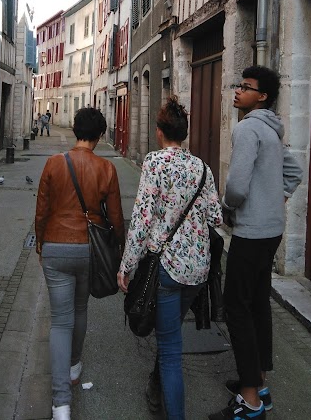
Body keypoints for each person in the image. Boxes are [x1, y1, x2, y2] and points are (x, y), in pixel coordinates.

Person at [117, 97, 223, 420]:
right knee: (170, 334)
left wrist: (126, 266)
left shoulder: (154, 163)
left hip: (165, 269)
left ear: (160, 132)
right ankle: (156, 386)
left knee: (171, 351)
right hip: (197, 272)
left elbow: (142, 219)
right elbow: (216, 217)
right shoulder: (202, 168)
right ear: (185, 134)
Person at [209, 66, 303, 420]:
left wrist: (228, 207)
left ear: (261, 96)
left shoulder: (248, 128)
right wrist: (274, 199)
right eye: (238, 86)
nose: (237, 92)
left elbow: (236, 186)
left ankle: (250, 401)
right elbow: (293, 173)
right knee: (258, 306)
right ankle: (259, 380)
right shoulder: (271, 130)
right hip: (272, 231)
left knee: (236, 309)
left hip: (250, 233)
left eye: (245, 88)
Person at [35, 107, 125, 420]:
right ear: (100, 136)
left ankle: (61, 404)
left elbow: (42, 211)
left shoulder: (53, 163)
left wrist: (41, 243)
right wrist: (119, 250)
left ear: (75, 131)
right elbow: (115, 217)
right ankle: (74, 366)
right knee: (81, 309)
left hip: (57, 245)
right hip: (88, 250)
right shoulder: (107, 169)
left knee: (60, 321)